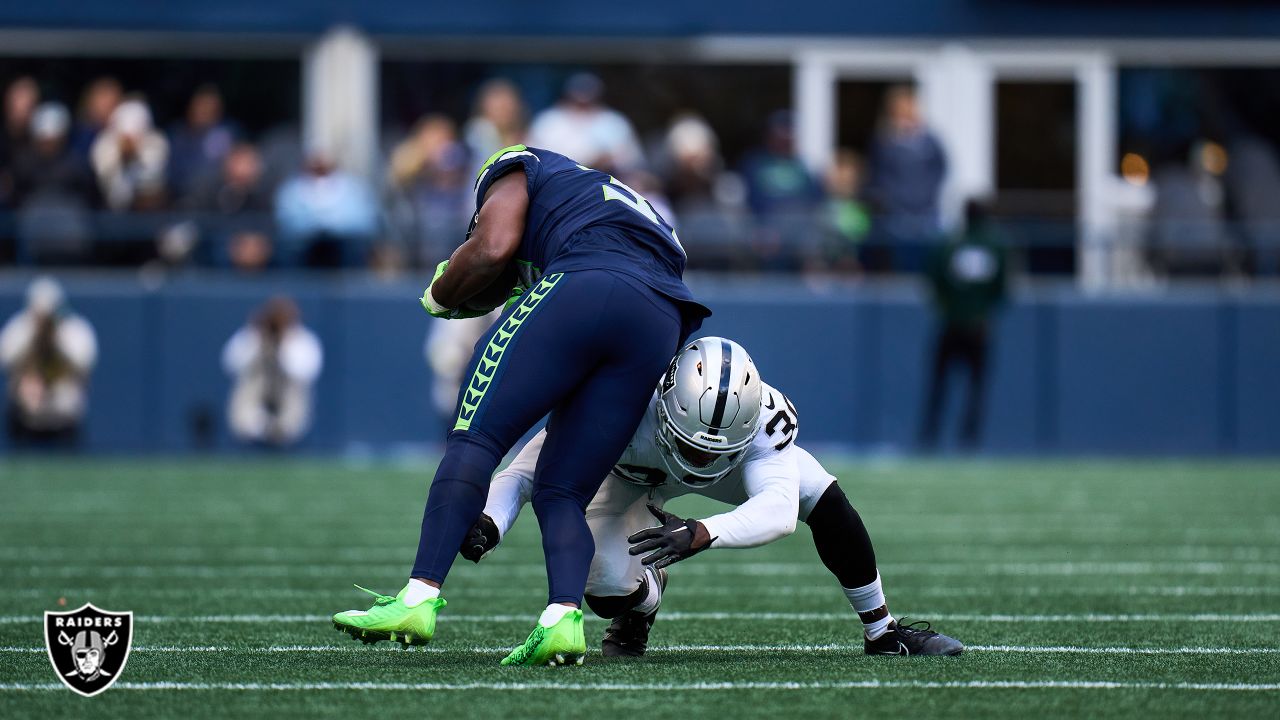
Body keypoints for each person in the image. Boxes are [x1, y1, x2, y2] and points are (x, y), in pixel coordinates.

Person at [331, 143, 709, 667]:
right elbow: (515, 266)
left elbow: (492, 247)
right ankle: (561, 620)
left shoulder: (518, 163)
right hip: (660, 318)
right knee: (562, 491)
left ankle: (417, 597)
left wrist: (441, 291)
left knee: (476, 437)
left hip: (586, 281)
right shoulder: (605, 201)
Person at [463, 337, 963, 657]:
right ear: (665, 411)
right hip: (626, 477)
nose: (700, 461)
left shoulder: (764, 422)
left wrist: (703, 531)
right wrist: (489, 521)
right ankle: (643, 602)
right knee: (604, 587)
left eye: (713, 451)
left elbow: (780, 512)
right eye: (691, 448)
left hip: (712, 474)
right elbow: (527, 471)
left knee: (822, 496)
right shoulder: (621, 402)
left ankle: (882, 630)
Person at [918, 200, 1008, 450]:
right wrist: (982, 310)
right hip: (979, 325)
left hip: (951, 322)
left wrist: (949, 306)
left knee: (939, 384)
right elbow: (1002, 287)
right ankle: (969, 438)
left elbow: (934, 280)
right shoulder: (995, 246)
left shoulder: (950, 244)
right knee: (975, 387)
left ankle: (930, 435)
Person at [0, 277, 97, 447]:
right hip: (26, 413)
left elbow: (83, 363)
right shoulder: (20, 328)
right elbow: (6, 359)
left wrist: (55, 340)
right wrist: (34, 336)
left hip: (63, 411)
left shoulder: (74, 329)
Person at [864, 86, 947, 273]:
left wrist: (927, 194)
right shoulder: (884, 140)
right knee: (902, 264)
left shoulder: (930, 140)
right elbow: (878, 175)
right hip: (897, 215)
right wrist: (891, 199)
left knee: (928, 261)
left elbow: (940, 169)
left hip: (926, 212)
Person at [221, 296, 323, 447]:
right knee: (247, 384)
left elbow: (305, 373)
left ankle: (281, 429)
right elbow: (230, 365)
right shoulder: (253, 335)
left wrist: (283, 343)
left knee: (296, 391)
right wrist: (256, 339)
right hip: (259, 386)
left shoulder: (303, 338)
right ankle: (259, 427)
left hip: (287, 388)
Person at [274, 152, 379, 267]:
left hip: (344, 240)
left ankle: (351, 283)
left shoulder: (353, 187)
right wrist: (314, 227)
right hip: (304, 240)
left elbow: (363, 220)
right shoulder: (292, 188)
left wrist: (334, 228)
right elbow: (287, 218)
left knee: (355, 249)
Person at [526, 73, 643, 175]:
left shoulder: (614, 121)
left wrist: (605, 160)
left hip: (605, 180)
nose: (583, 101)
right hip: (557, 180)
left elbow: (632, 161)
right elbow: (534, 157)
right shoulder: (549, 120)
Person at [90, 98, 169, 211]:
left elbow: (151, 183)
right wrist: (123, 156)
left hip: (150, 212)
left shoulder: (157, 143)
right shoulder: (104, 145)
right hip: (111, 211)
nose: (129, 139)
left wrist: (135, 154)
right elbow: (108, 182)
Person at [167, 85, 238, 200]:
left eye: (210, 108)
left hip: (218, 200)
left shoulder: (229, 133)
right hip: (182, 199)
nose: (204, 111)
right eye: (201, 106)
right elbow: (174, 174)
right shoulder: (177, 136)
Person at [463, 79, 527, 176]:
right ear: (483, 107)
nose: (504, 112)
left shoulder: (527, 135)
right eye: (499, 108)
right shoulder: (479, 129)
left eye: (507, 107)